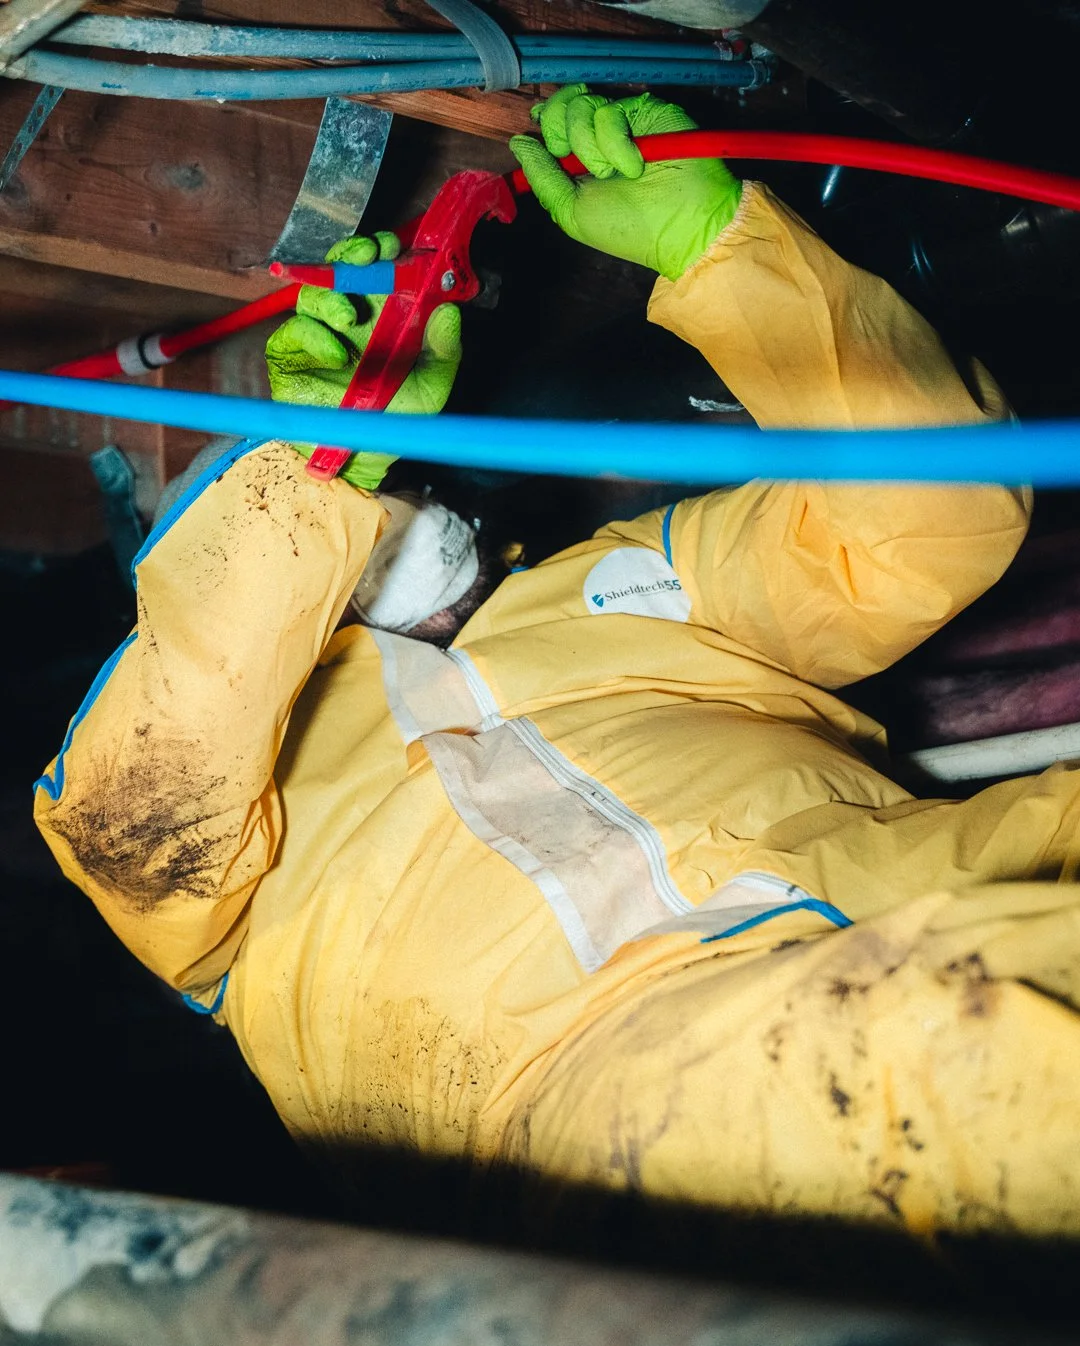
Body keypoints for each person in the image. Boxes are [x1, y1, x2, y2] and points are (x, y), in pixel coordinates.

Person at [34, 86, 1080, 1242]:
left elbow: (930, 518)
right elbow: (137, 803)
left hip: (972, 880)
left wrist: (722, 251)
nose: (384, 517)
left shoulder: (600, 590)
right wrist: (306, 477)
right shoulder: (225, 841)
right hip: (613, 1105)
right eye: (351, 522)